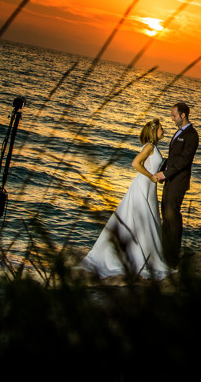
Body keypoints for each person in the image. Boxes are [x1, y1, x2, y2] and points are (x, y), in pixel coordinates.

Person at [80, 118, 173, 280]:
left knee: (148, 217)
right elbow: (135, 163)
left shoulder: (153, 147)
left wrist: (157, 176)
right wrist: (151, 176)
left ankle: (146, 252)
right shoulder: (149, 147)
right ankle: (139, 255)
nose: (163, 131)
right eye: (161, 129)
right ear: (154, 131)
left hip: (149, 187)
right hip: (143, 185)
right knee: (142, 217)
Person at [153, 102, 199, 268]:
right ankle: (164, 252)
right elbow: (173, 157)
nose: (172, 118)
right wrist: (162, 171)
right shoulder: (179, 132)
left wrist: (166, 174)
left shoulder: (192, 135)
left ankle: (173, 258)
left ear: (183, 115)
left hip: (179, 182)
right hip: (170, 179)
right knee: (166, 214)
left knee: (173, 215)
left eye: (174, 115)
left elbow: (184, 160)